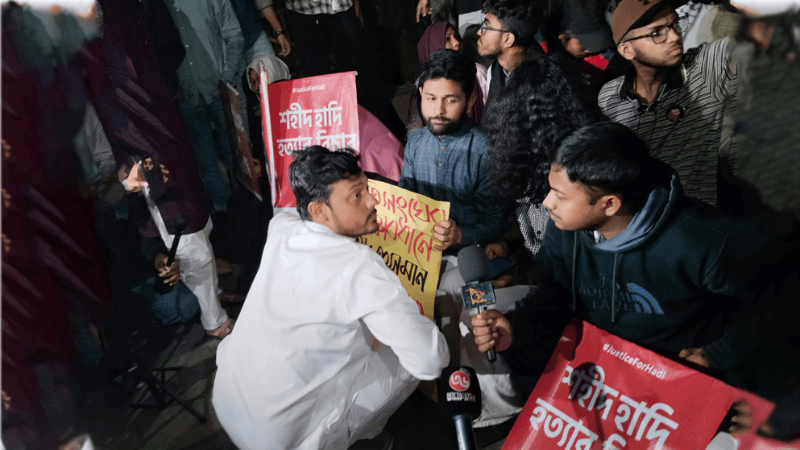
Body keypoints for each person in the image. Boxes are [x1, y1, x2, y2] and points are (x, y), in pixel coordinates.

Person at [472, 123, 799, 398]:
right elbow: (551, 297)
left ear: (609, 204)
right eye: (550, 189)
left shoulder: (701, 241)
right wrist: (516, 330)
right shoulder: (565, 227)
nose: (547, 203)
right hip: (607, 370)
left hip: (677, 380)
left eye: (561, 195)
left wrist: (720, 353)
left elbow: (777, 296)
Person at [212, 147, 449, 450]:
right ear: (319, 211)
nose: (373, 201)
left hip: (230, 402)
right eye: (356, 196)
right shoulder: (360, 267)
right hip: (281, 439)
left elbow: (288, 206)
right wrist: (424, 327)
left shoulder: (281, 227)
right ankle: (360, 437)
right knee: (416, 352)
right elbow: (429, 361)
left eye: (367, 189)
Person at [598, 0, 738, 207]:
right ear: (627, 50)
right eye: (657, 33)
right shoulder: (610, 96)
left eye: (675, 25)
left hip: (694, 224)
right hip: (637, 224)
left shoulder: (705, 69)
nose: (674, 36)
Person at [480, 56, 595, 279]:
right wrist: (505, 242)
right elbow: (531, 227)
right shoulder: (520, 159)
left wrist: (522, 278)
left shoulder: (582, 176)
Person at [399, 49, 506, 251]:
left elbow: (497, 221)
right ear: (421, 95)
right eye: (431, 98)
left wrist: (460, 235)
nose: (438, 111)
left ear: (470, 102)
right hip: (418, 254)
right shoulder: (414, 144)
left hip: (466, 256)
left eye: (450, 100)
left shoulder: (485, 150)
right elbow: (404, 202)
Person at [164, 0, 245, 213]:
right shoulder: (160, 5)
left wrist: (226, 77)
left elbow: (234, 36)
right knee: (205, 162)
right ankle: (221, 211)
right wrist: (174, 88)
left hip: (219, 89)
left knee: (235, 155)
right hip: (187, 96)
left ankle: (246, 207)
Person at [406, 21, 488, 133]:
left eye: (457, 37)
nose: (456, 43)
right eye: (447, 39)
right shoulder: (421, 83)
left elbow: (492, 112)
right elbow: (414, 124)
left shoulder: (478, 73)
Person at [477, 0, 543, 108]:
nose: (479, 32)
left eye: (486, 27)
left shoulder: (543, 81)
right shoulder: (495, 71)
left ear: (508, 39)